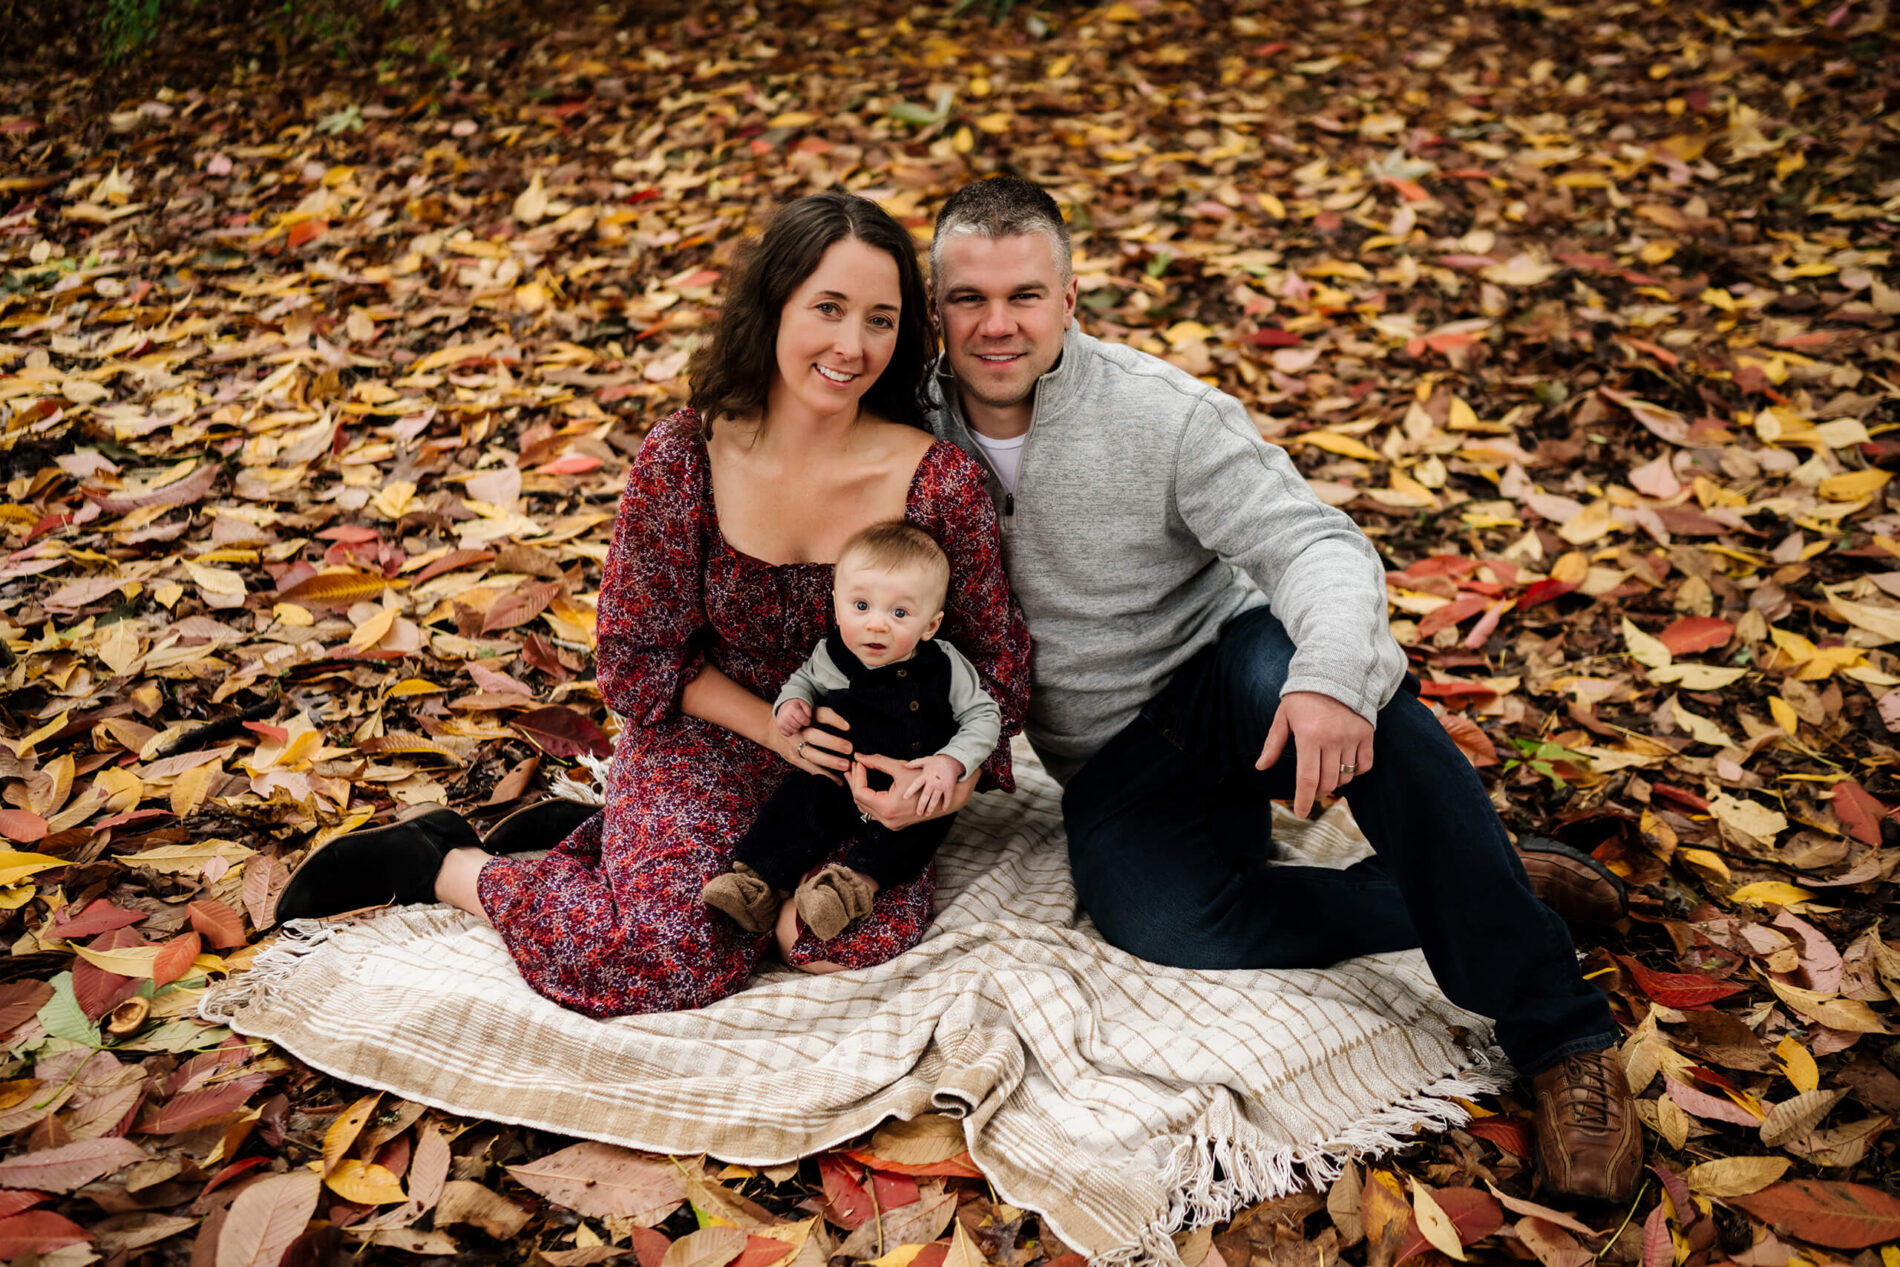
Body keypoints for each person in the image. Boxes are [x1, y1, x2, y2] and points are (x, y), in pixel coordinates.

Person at [921, 176, 1640, 1202]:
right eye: (967, 299)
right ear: (934, 303)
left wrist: (1330, 682)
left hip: (1230, 679)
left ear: (1070, 300)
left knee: (1351, 687)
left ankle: (1560, 1031)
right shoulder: (902, 426)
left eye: (1025, 295)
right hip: (1117, 761)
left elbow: (1315, 544)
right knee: (1164, 924)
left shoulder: (1160, 414)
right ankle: (1486, 873)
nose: (997, 325)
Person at [274, 191, 1031, 1017]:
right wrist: (778, 728)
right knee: (668, 959)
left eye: (881, 320)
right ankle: (441, 861)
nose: (852, 346)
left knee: (827, 942)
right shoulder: (686, 454)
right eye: (828, 308)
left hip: (867, 768)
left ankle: (598, 839)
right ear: (774, 305)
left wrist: (940, 779)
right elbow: (636, 655)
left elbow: (992, 664)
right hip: (710, 738)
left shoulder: (938, 482)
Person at [702, 520, 1002, 941]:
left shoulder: (944, 664)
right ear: (837, 604)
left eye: (900, 613)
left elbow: (985, 716)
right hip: (839, 774)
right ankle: (756, 884)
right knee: (796, 804)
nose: (876, 625)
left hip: (915, 784)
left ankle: (850, 889)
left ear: (930, 626)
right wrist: (791, 705)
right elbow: (803, 680)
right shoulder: (831, 653)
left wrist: (951, 762)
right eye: (861, 606)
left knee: (909, 839)